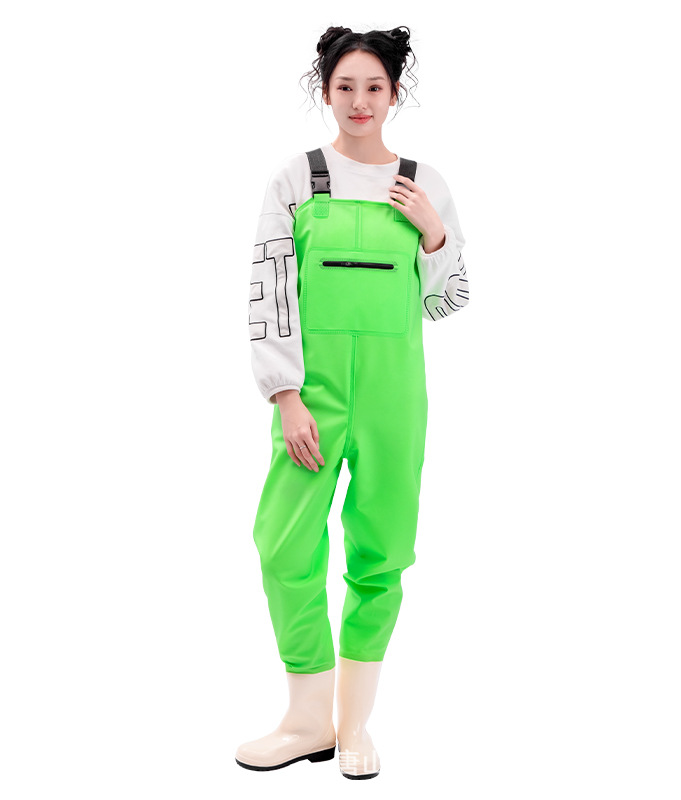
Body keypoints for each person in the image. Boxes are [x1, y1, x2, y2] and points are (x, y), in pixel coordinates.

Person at [237, 25, 470, 779]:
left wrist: (433, 235)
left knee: (383, 553)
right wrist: (285, 396)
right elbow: (269, 294)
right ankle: (307, 719)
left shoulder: (425, 184)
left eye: (374, 87)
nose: (360, 101)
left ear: (394, 94)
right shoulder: (295, 180)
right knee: (283, 546)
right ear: (325, 90)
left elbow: (447, 302)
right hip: (313, 398)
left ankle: (355, 725)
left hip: (395, 402)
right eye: (346, 87)